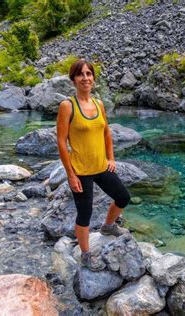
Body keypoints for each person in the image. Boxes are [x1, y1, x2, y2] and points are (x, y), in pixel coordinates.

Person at [56, 58, 131, 270]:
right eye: (81, 74)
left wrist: (111, 158)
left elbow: (106, 131)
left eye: (89, 74)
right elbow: (61, 141)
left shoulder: (98, 104)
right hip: (80, 169)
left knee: (123, 197)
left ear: (93, 79)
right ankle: (86, 254)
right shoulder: (67, 106)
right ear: (73, 79)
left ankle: (108, 226)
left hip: (101, 166)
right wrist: (70, 174)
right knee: (85, 213)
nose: (85, 78)